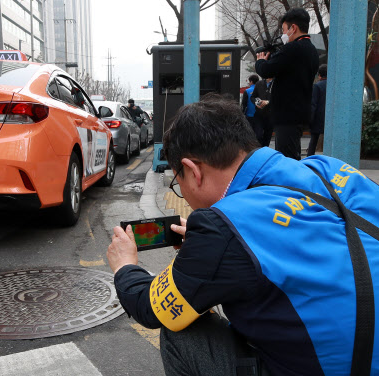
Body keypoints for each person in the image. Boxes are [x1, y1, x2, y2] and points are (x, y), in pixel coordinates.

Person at [107, 94, 379, 375]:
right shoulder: (330, 169)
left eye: (178, 182)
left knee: (181, 335)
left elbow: (152, 308)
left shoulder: (224, 227)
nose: (183, 195)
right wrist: (219, 247)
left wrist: (125, 266)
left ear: (192, 170)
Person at [255, 8, 319, 160]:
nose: (283, 35)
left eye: (284, 30)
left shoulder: (292, 49)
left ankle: (290, 184)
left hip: (287, 114)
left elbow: (267, 70)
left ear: (293, 28)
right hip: (299, 112)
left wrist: (261, 61)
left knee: (287, 160)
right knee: (292, 156)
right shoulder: (312, 50)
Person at [307, 64, 327, 156]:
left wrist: (310, 119)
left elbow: (313, 104)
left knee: (313, 141)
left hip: (318, 118)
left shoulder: (317, 86)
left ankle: (309, 160)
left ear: (319, 75)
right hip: (328, 118)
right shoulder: (333, 85)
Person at [251, 77, 274, 147]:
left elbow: (280, 98)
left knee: (268, 136)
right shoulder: (259, 83)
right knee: (258, 134)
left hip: (271, 115)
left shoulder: (277, 83)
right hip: (259, 114)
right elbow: (253, 97)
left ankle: (265, 151)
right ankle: (259, 150)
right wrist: (256, 102)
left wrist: (268, 102)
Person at [241, 74, 259, 141]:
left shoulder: (247, 91)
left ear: (251, 81)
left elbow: (244, 104)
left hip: (249, 115)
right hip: (259, 115)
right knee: (258, 134)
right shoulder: (261, 90)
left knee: (249, 134)